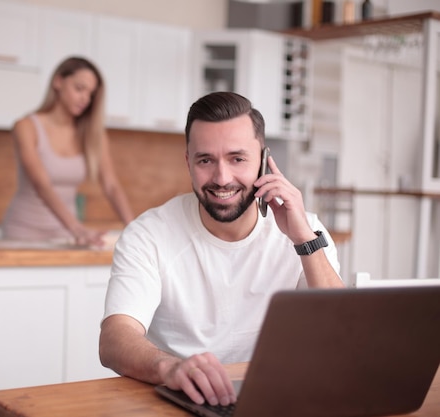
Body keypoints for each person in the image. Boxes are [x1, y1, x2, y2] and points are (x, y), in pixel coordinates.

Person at [99, 92, 344, 408]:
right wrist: (170, 367)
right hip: (180, 401)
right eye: (205, 160)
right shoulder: (149, 233)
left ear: (264, 161)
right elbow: (114, 340)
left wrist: (303, 239)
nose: (222, 178)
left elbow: (340, 338)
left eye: (237, 158)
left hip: (274, 400)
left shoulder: (306, 231)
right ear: (189, 162)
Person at [1, 56, 134, 246]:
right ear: (58, 82)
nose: (85, 99)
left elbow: (111, 186)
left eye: (91, 94)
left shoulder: (93, 135)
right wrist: (78, 229)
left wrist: (135, 229)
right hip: (23, 232)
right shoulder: (26, 127)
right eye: (79, 89)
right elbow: (41, 184)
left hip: (66, 235)